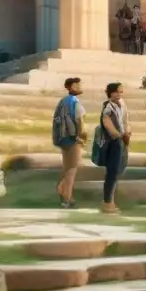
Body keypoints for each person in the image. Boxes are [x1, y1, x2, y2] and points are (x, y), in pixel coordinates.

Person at [52, 77, 87, 208]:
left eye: (79, 84)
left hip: (62, 138)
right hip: (72, 138)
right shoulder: (74, 102)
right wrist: (83, 136)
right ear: (69, 87)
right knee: (72, 168)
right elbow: (80, 121)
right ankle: (67, 197)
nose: (79, 87)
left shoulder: (63, 101)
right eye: (76, 85)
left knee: (67, 167)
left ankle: (62, 190)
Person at [98, 82, 130, 213]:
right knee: (112, 171)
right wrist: (118, 135)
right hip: (114, 142)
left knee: (119, 169)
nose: (119, 94)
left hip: (122, 140)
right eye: (117, 92)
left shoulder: (122, 104)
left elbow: (126, 120)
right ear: (111, 93)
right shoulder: (108, 106)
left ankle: (110, 199)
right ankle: (107, 202)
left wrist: (127, 132)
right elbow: (107, 122)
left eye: (121, 92)